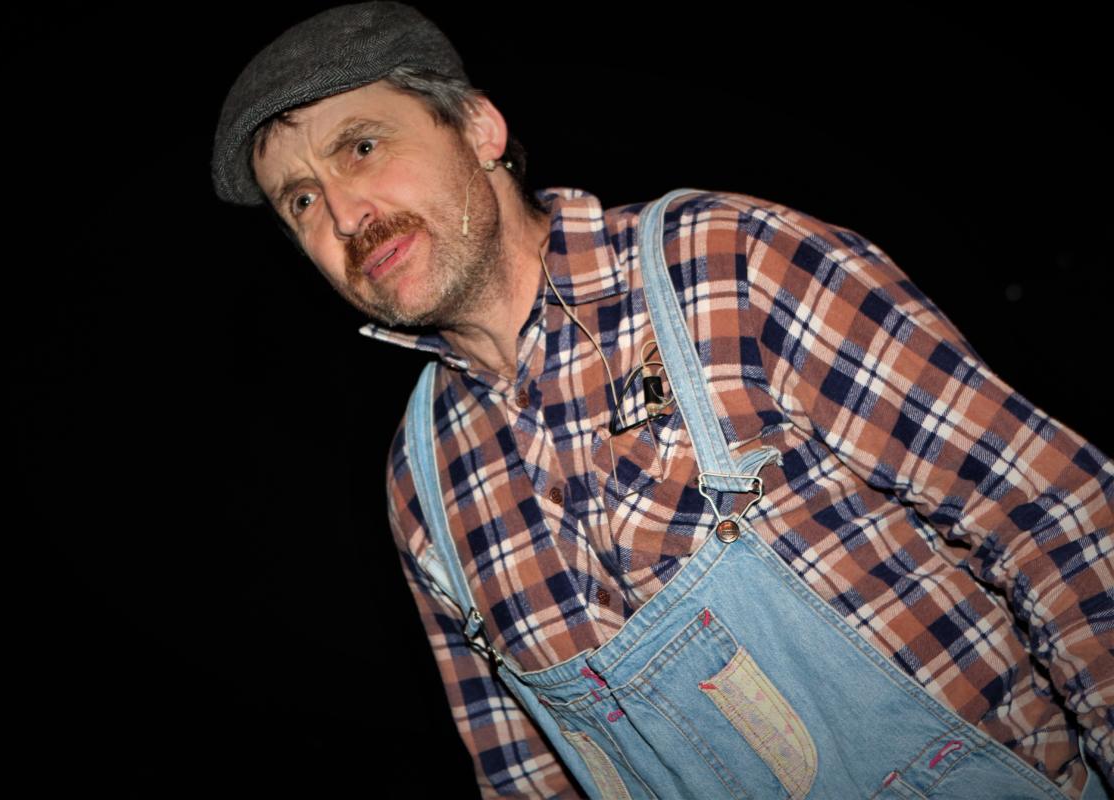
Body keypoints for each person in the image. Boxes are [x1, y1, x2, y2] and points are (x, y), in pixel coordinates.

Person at [211, 3, 1113, 798]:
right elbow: (525, 778)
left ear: (480, 128)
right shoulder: (423, 485)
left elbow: (1057, 521)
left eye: (362, 148)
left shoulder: (729, 265)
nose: (345, 214)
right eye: (302, 201)